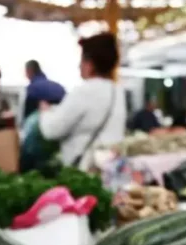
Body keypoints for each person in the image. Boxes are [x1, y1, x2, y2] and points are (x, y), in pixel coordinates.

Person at [37, 32, 126, 171]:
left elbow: (51, 130)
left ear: (89, 64)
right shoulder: (117, 91)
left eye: (82, 60)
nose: (79, 66)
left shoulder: (83, 91)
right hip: (112, 170)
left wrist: (45, 111)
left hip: (86, 171)